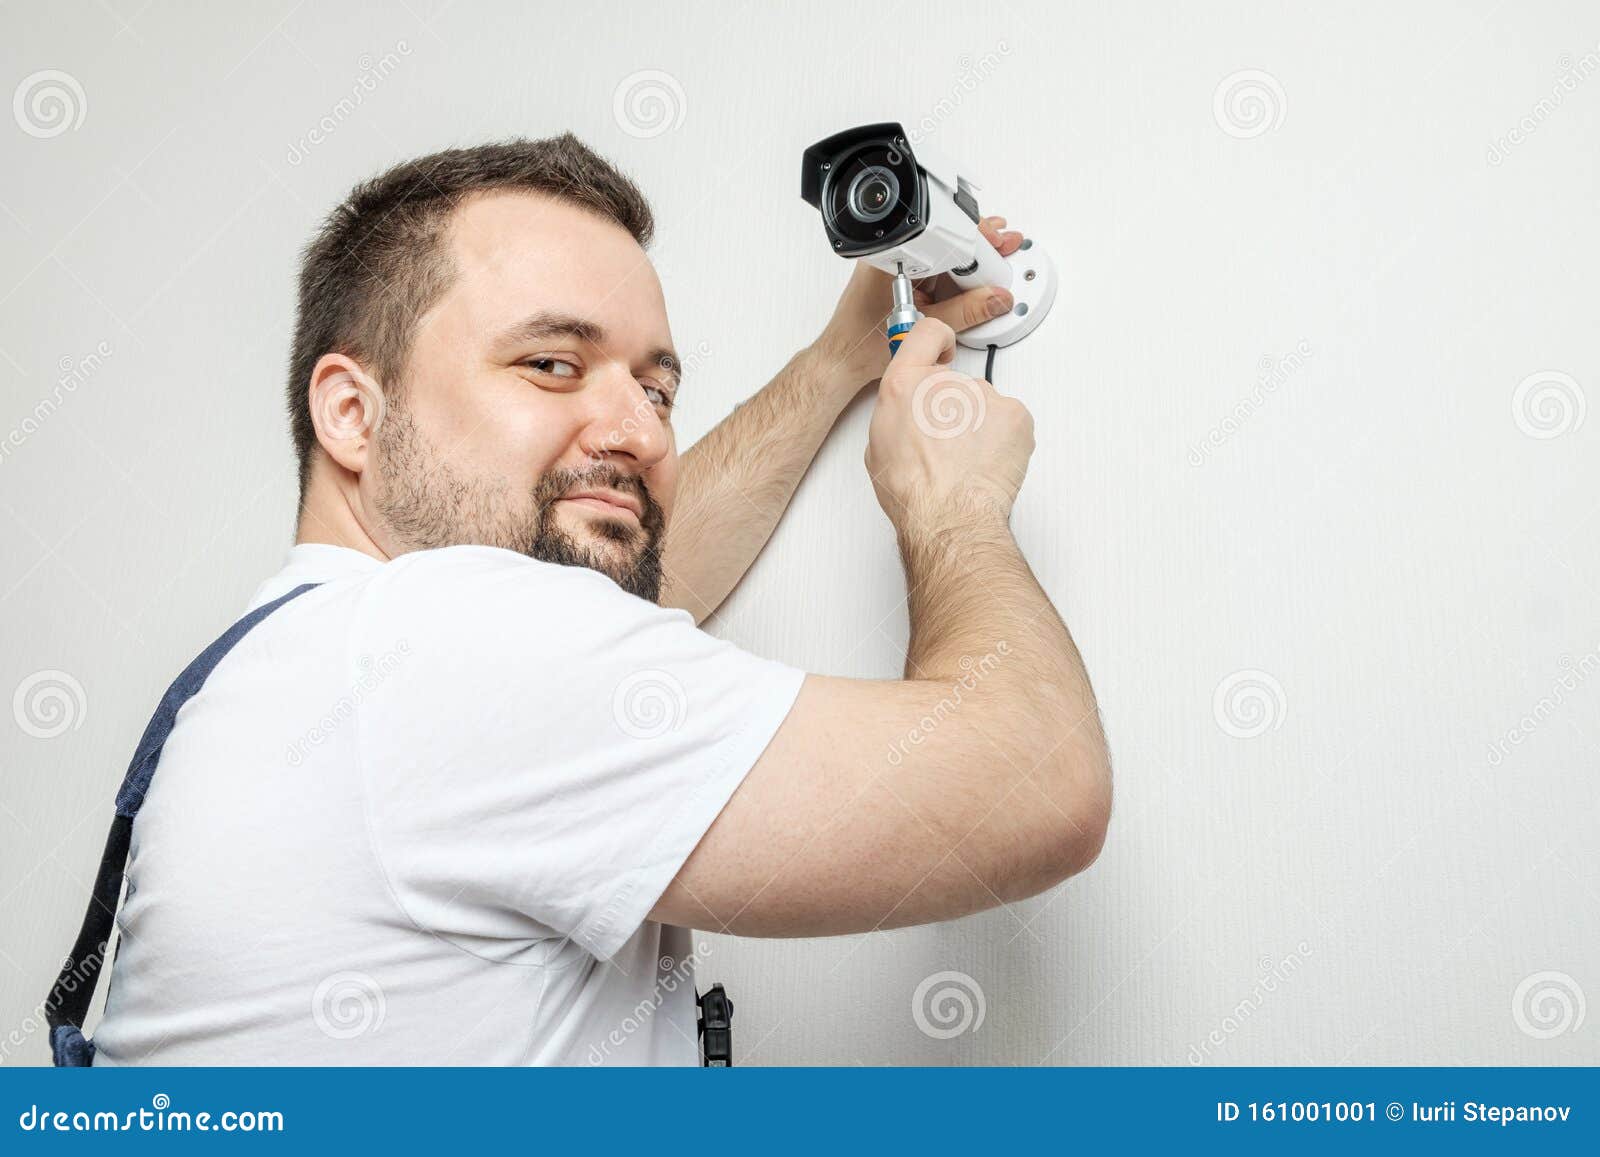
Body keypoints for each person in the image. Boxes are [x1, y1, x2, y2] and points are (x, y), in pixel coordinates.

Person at [87, 134, 1111, 1065]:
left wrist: (839, 360)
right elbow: (1036, 785)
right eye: (551, 365)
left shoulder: (302, 656)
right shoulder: (453, 639)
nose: (640, 432)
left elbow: (629, 578)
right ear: (352, 412)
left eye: (656, 389)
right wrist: (952, 504)